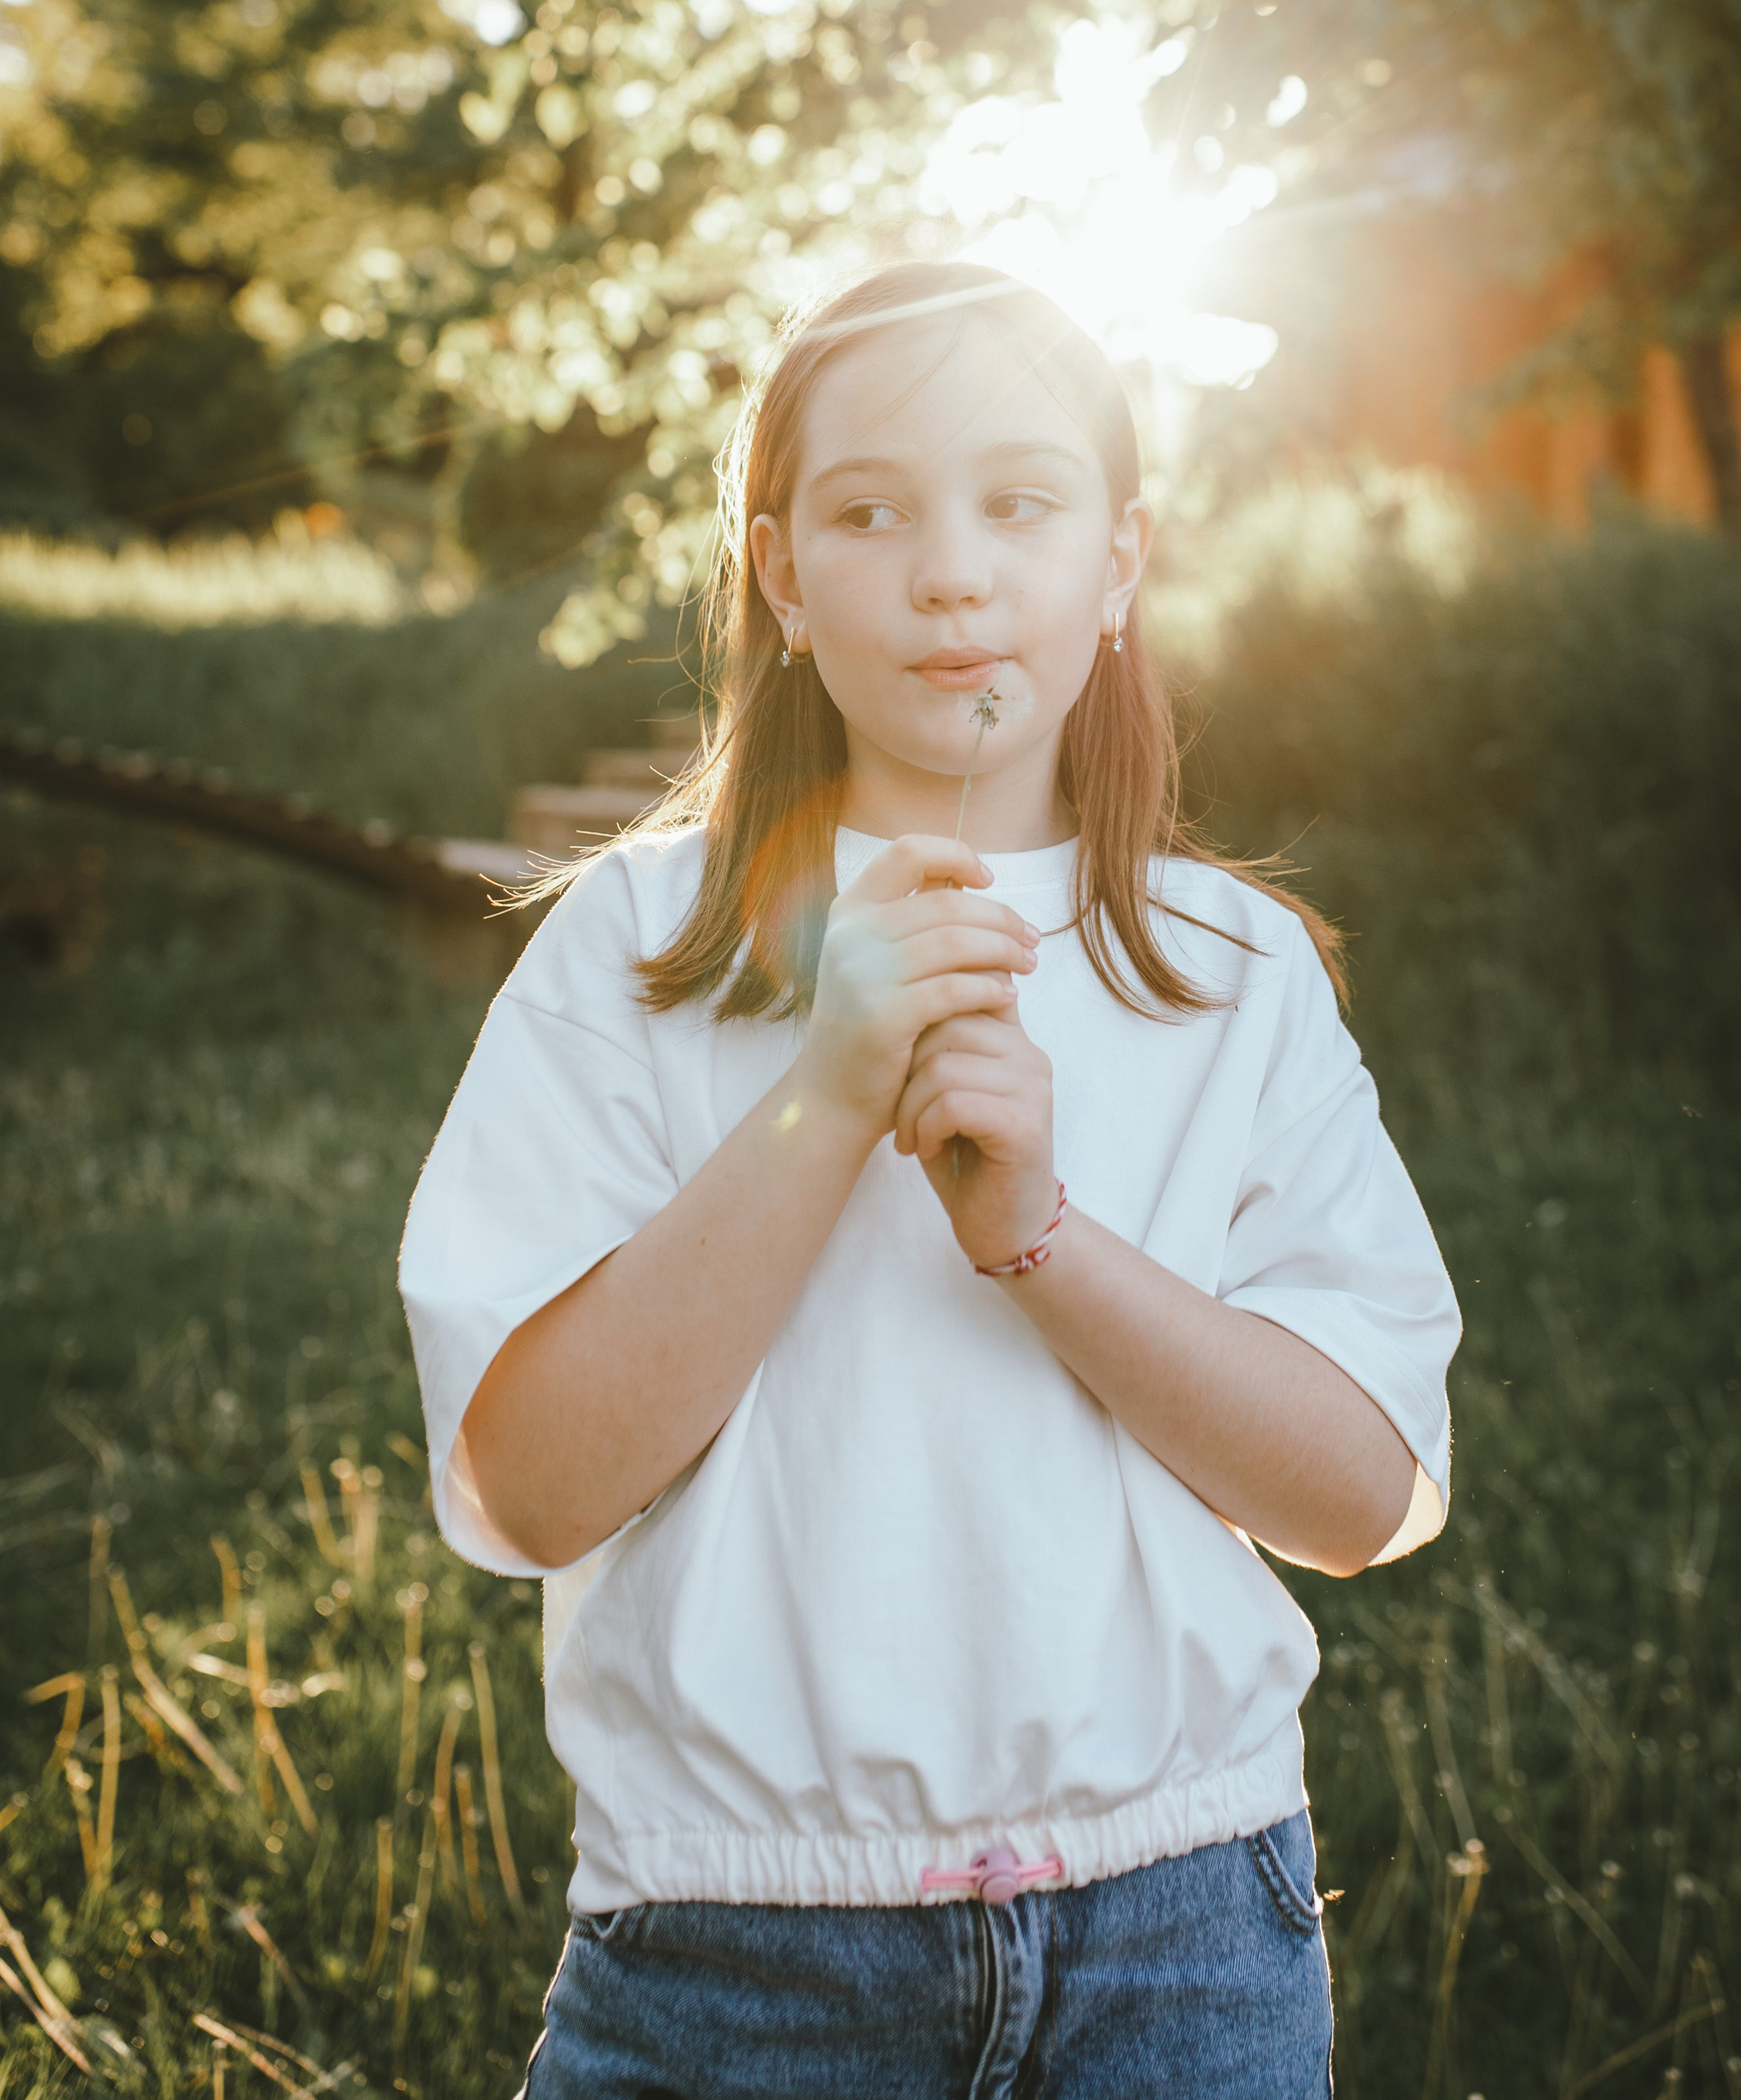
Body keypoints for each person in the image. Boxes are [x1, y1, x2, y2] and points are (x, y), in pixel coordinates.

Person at [399, 262, 1462, 2098]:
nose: (953, 570)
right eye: (871, 510)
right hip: (740, 1952)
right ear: (783, 578)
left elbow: (1361, 1496)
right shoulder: (634, 949)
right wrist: (826, 1089)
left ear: (1117, 567)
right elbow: (529, 1484)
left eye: (1021, 503)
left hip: (1181, 1933)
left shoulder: (1231, 970)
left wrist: (1033, 1233)